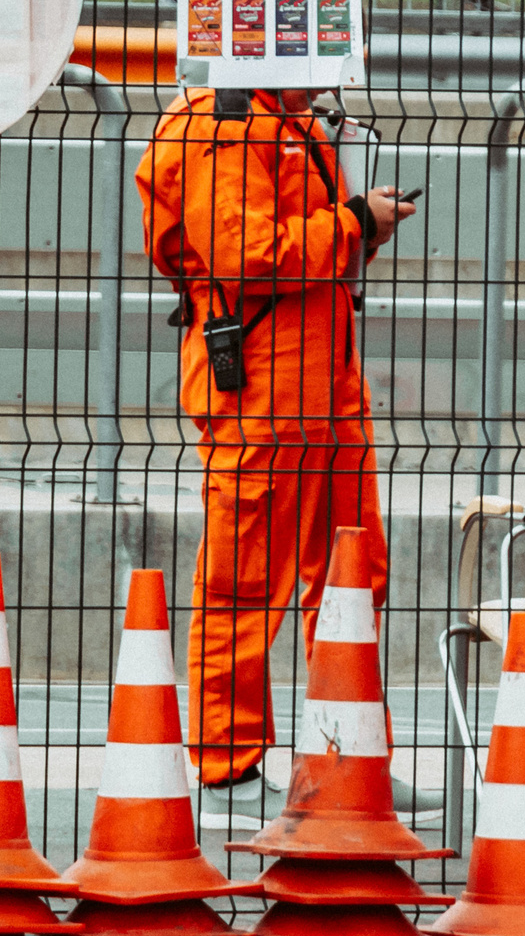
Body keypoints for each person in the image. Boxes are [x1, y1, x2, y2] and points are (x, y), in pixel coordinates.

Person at [137, 82, 419, 829]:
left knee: (354, 570)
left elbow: (297, 241)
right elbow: (244, 255)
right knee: (246, 571)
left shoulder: (295, 121)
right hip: (259, 384)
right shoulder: (218, 121)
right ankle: (228, 767)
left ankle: (349, 759)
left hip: (327, 377)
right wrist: (354, 219)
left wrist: (359, 225)